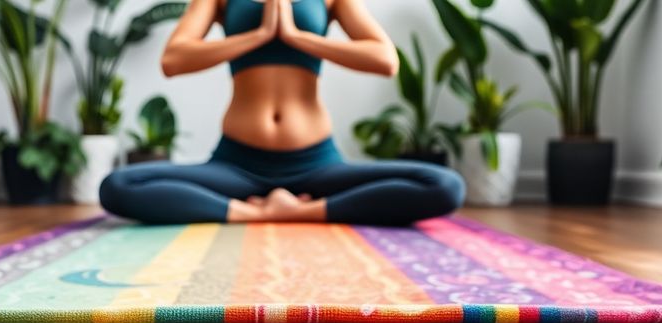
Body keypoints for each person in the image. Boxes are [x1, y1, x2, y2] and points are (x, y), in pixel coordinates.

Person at [99, 0, 465, 226]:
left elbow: (384, 59)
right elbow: (174, 59)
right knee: (118, 187)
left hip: (317, 165)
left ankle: (302, 212)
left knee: (445, 186)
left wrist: (296, 37)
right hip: (237, 165)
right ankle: (253, 213)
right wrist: (258, 36)